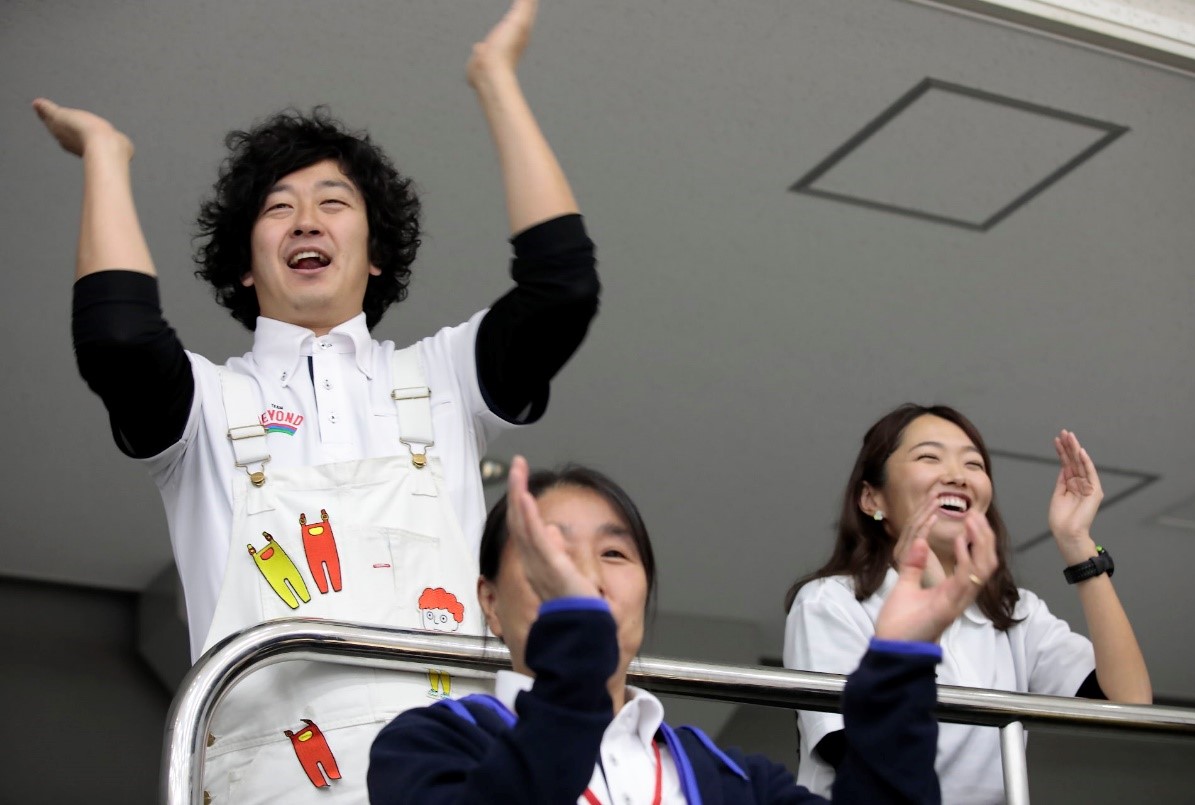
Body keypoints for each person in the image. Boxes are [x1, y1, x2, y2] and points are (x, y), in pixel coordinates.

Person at [34, 1, 598, 801]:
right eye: (277, 207)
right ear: (242, 264)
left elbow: (561, 290)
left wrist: (497, 81)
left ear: (374, 256)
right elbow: (118, 340)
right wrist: (105, 156)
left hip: (455, 775)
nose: (306, 219)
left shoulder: (445, 377)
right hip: (267, 781)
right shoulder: (205, 406)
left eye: (334, 202)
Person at [368, 456, 998, 804]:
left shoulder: (729, 778)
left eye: (615, 555)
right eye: (552, 556)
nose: (587, 575)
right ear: (491, 603)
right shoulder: (427, 746)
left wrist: (899, 661)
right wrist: (576, 652)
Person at [783, 404, 1151, 804]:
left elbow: (1128, 705)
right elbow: (864, 756)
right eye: (929, 456)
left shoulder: (1012, 611)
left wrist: (1078, 543)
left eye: (974, 464)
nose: (957, 476)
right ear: (872, 499)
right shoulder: (832, 600)